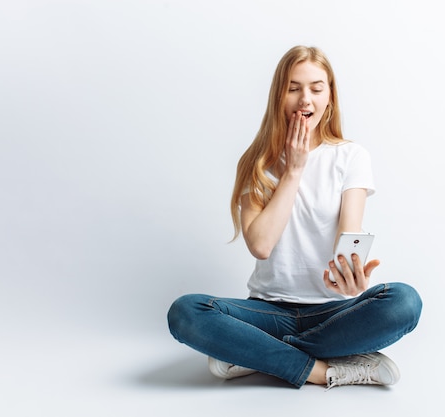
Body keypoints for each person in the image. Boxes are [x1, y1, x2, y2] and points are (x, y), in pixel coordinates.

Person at [167, 45, 422, 389]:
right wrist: (293, 170)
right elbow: (260, 245)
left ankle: (252, 355)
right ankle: (324, 369)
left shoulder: (351, 157)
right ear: (279, 97)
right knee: (185, 312)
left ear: (329, 97)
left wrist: (348, 275)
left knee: (405, 302)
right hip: (267, 312)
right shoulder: (256, 163)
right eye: (294, 88)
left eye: (316, 89)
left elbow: (348, 239)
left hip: (332, 312)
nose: (305, 99)